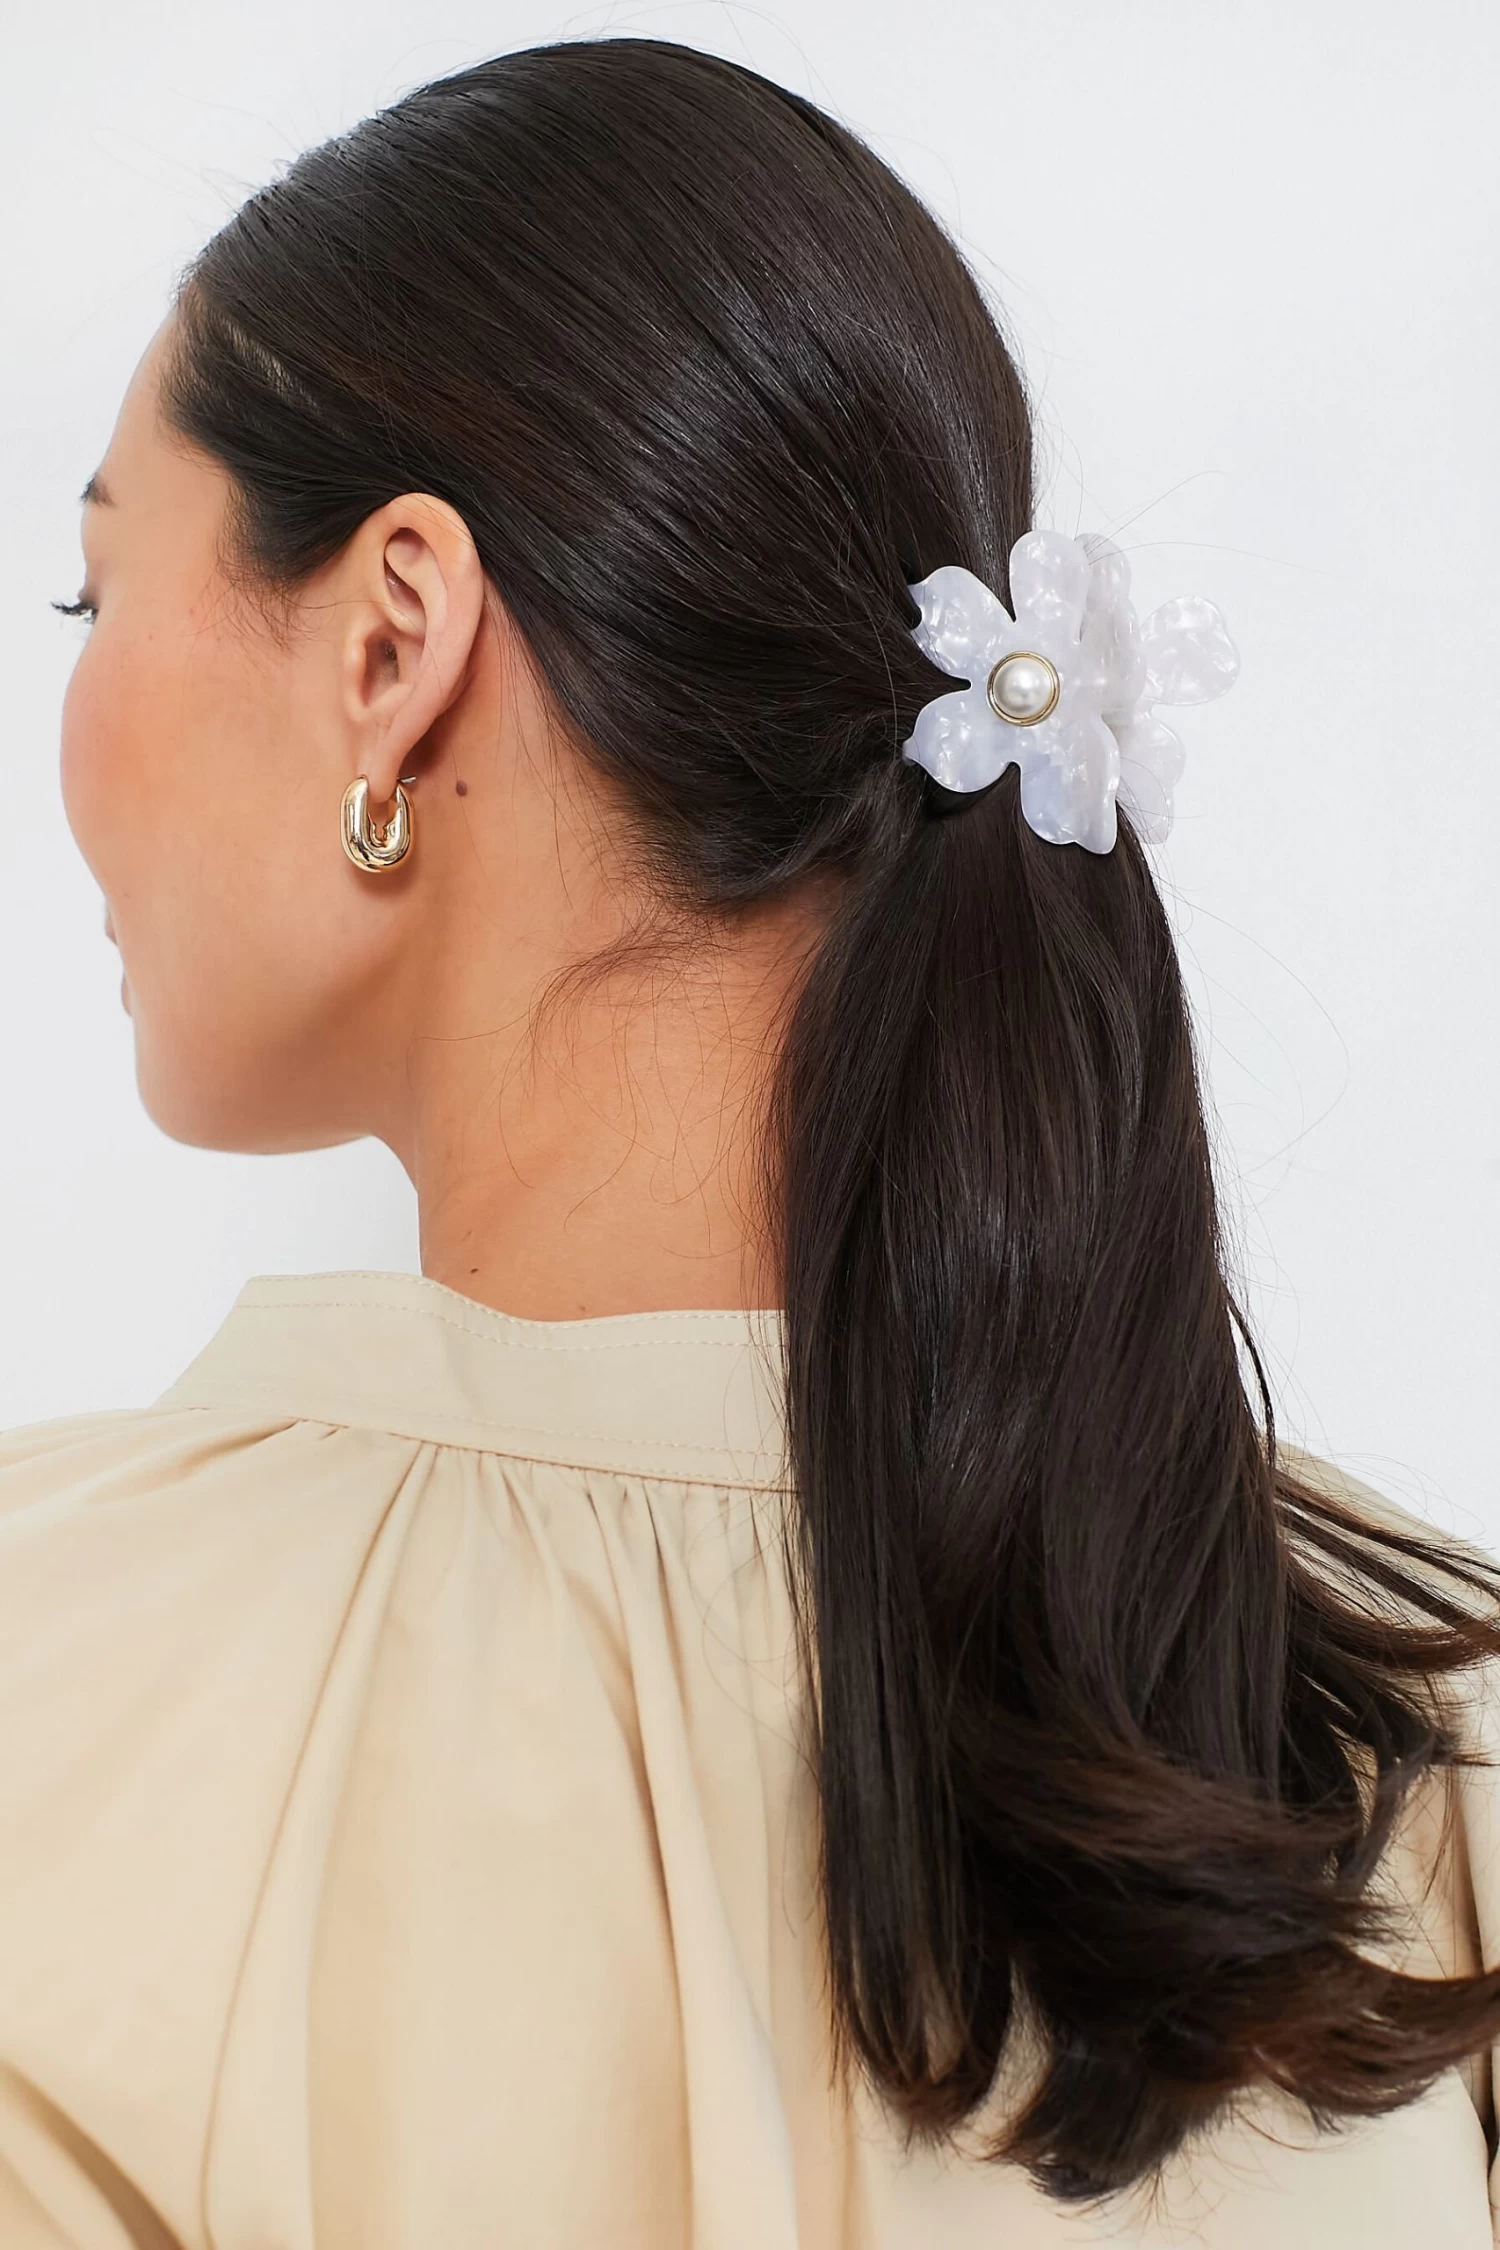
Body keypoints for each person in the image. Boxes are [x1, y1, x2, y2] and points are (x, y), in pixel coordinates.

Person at [6, 33, 1499, 2249]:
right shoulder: (1415, 1743)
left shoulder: (62, 1703)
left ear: (395, 641)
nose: (70, 713)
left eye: (96, 590)